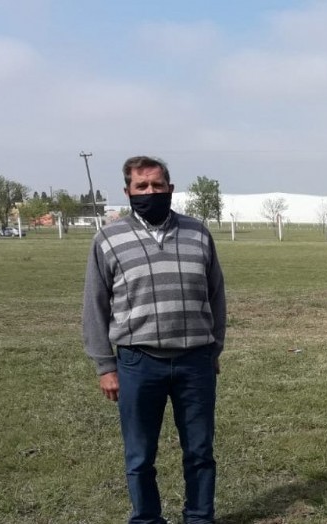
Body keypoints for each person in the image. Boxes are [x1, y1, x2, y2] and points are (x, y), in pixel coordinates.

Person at [83, 155, 226, 524]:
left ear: (170, 188)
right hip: (137, 363)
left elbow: (216, 295)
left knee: (199, 450)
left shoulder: (198, 233)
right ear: (128, 191)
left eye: (157, 185)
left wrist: (214, 348)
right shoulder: (108, 239)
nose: (150, 192)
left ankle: (199, 516)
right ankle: (146, 518)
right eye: (141, 186)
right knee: (140, 455)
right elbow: (95, 306)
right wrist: (105, 366)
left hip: (195, 361)